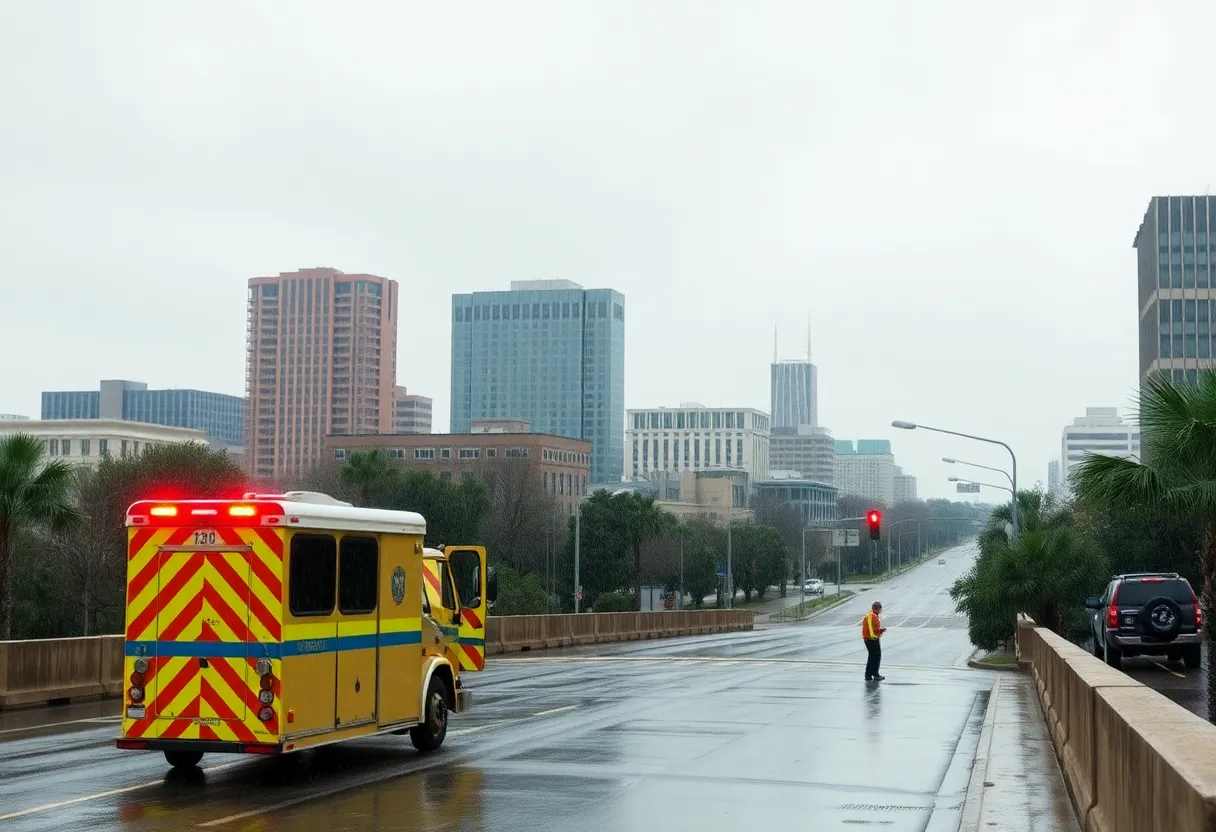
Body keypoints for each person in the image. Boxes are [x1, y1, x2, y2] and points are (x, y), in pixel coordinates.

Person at [861, 601, 887, 681]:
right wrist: (880, 630)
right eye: (880, 609)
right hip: (872, 639)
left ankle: (869, 675)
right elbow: (874, 629)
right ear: (877, 609)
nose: (880, 611)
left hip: (868, 638)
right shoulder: (873, 616)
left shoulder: (870, 615)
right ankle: (874, 674)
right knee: (875, 657)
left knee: (872, 657)